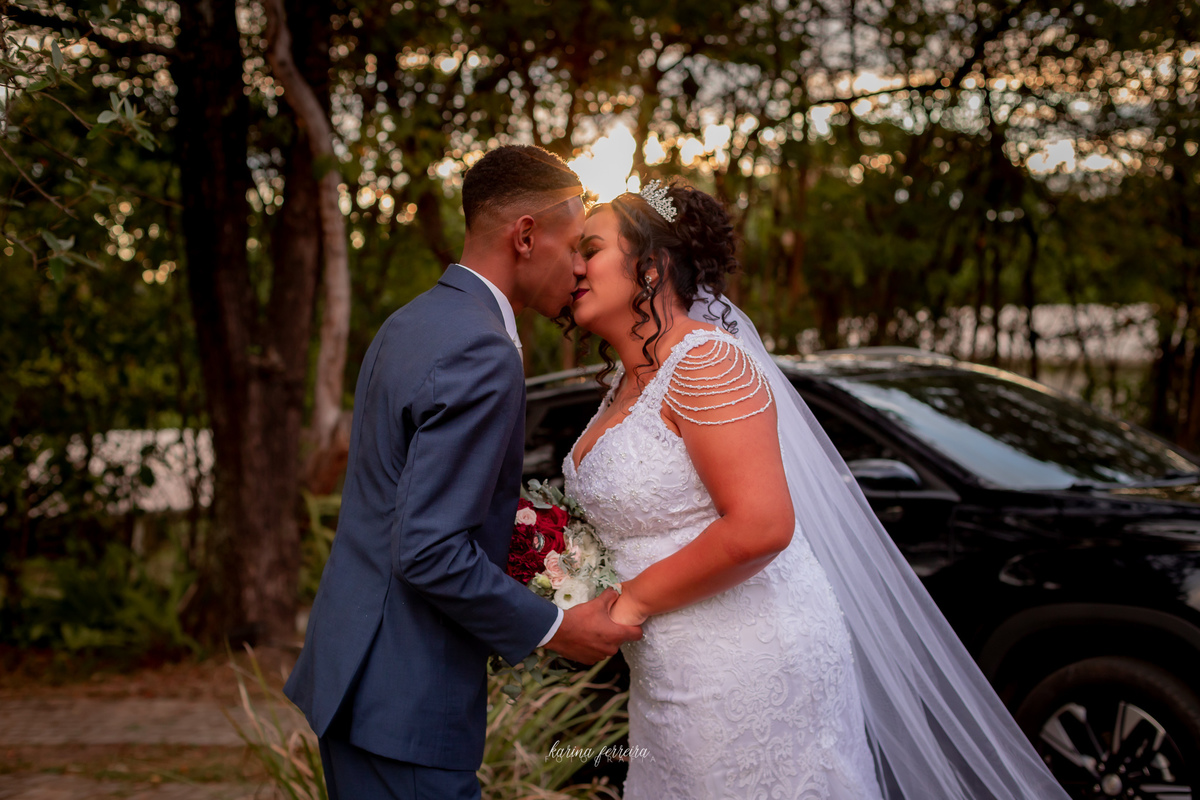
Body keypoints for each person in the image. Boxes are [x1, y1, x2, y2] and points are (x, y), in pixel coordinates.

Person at [565, 178, 1072, 799]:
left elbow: (761, 525)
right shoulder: (625, 379)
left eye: (589, 248)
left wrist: (626, 603)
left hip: (749, 656)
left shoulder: (705, 362)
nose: (575, 266)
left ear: (652, 264)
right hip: (673, 663)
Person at [284, 145, 642, 800]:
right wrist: (558, 627)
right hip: (405, 701)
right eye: (573, 246)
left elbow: (407, 504)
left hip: (358, 676)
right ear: (527, 236)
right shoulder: (483, 349)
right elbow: (428, 549)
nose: (581, 267)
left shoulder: (408, 323)